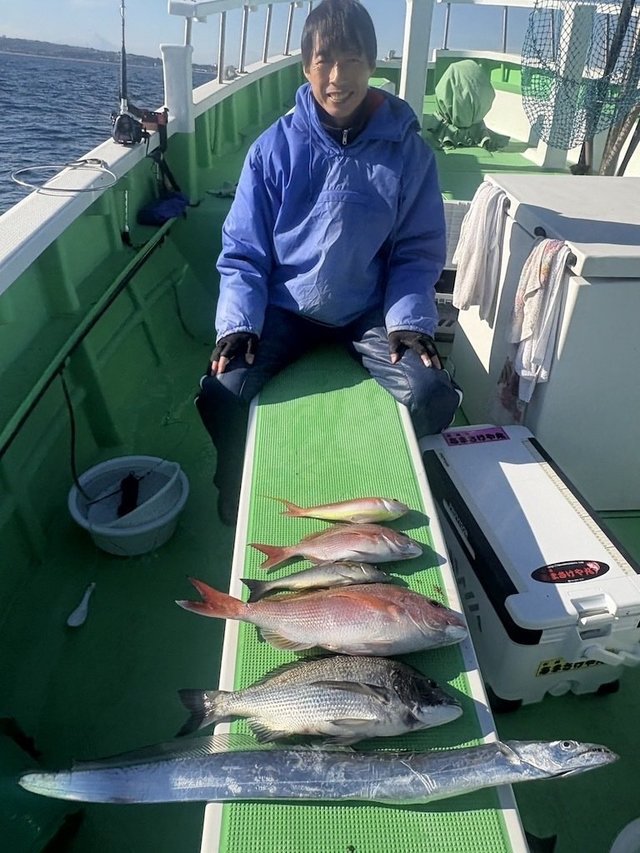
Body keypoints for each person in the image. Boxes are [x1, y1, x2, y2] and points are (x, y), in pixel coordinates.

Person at [196, 0, 461, 525]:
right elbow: (244, 252)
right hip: (284, 308)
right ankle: (234, 487)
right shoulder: (272, 150)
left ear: (372, 64)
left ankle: (418, 489)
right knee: (221, 392)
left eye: (352, 59)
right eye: (324, 61)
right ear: (305, 67)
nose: (337, 76)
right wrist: (238, 324)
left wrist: (409, 321)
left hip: (367, 310)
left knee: (432, 391)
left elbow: (416, 250)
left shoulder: (408, 153)